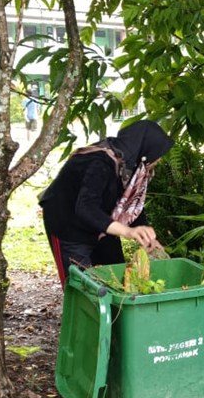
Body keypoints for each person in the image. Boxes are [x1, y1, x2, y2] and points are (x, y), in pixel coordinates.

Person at [39, 120, 173, 285]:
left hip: (101, 222)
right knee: (81, 286)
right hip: (69, 225)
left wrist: (148, 238)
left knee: (115, 277)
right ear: (144, 150)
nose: (158, 160)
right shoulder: (99, 163)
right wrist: (127, 231)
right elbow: (85, 208)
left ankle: (113, 311)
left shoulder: (130, 166)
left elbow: (131, 205)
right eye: (157, 155)